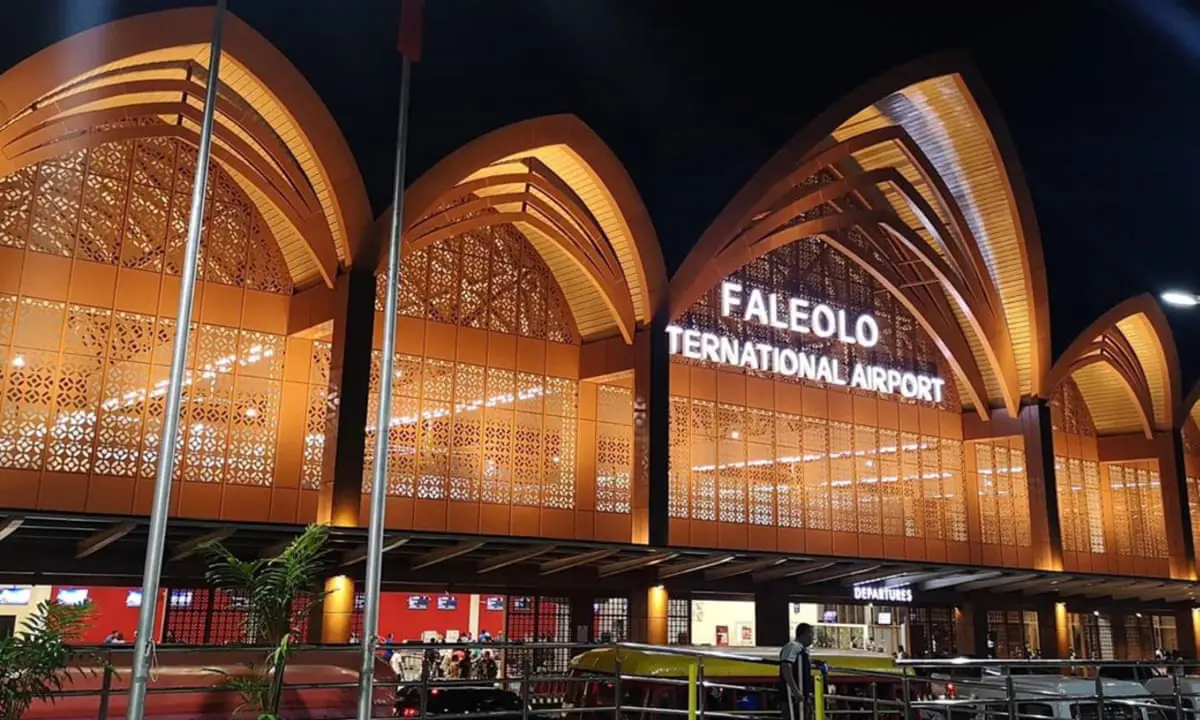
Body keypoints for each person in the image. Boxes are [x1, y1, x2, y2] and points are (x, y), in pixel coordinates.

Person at [780, 623, 818, 720]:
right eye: (812, 634)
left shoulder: (803, 650)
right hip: (793, 697)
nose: (813, 638)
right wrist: (795, 691)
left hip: (802, 695)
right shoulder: (793, 646)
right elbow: (786, 666)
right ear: (805, 633)